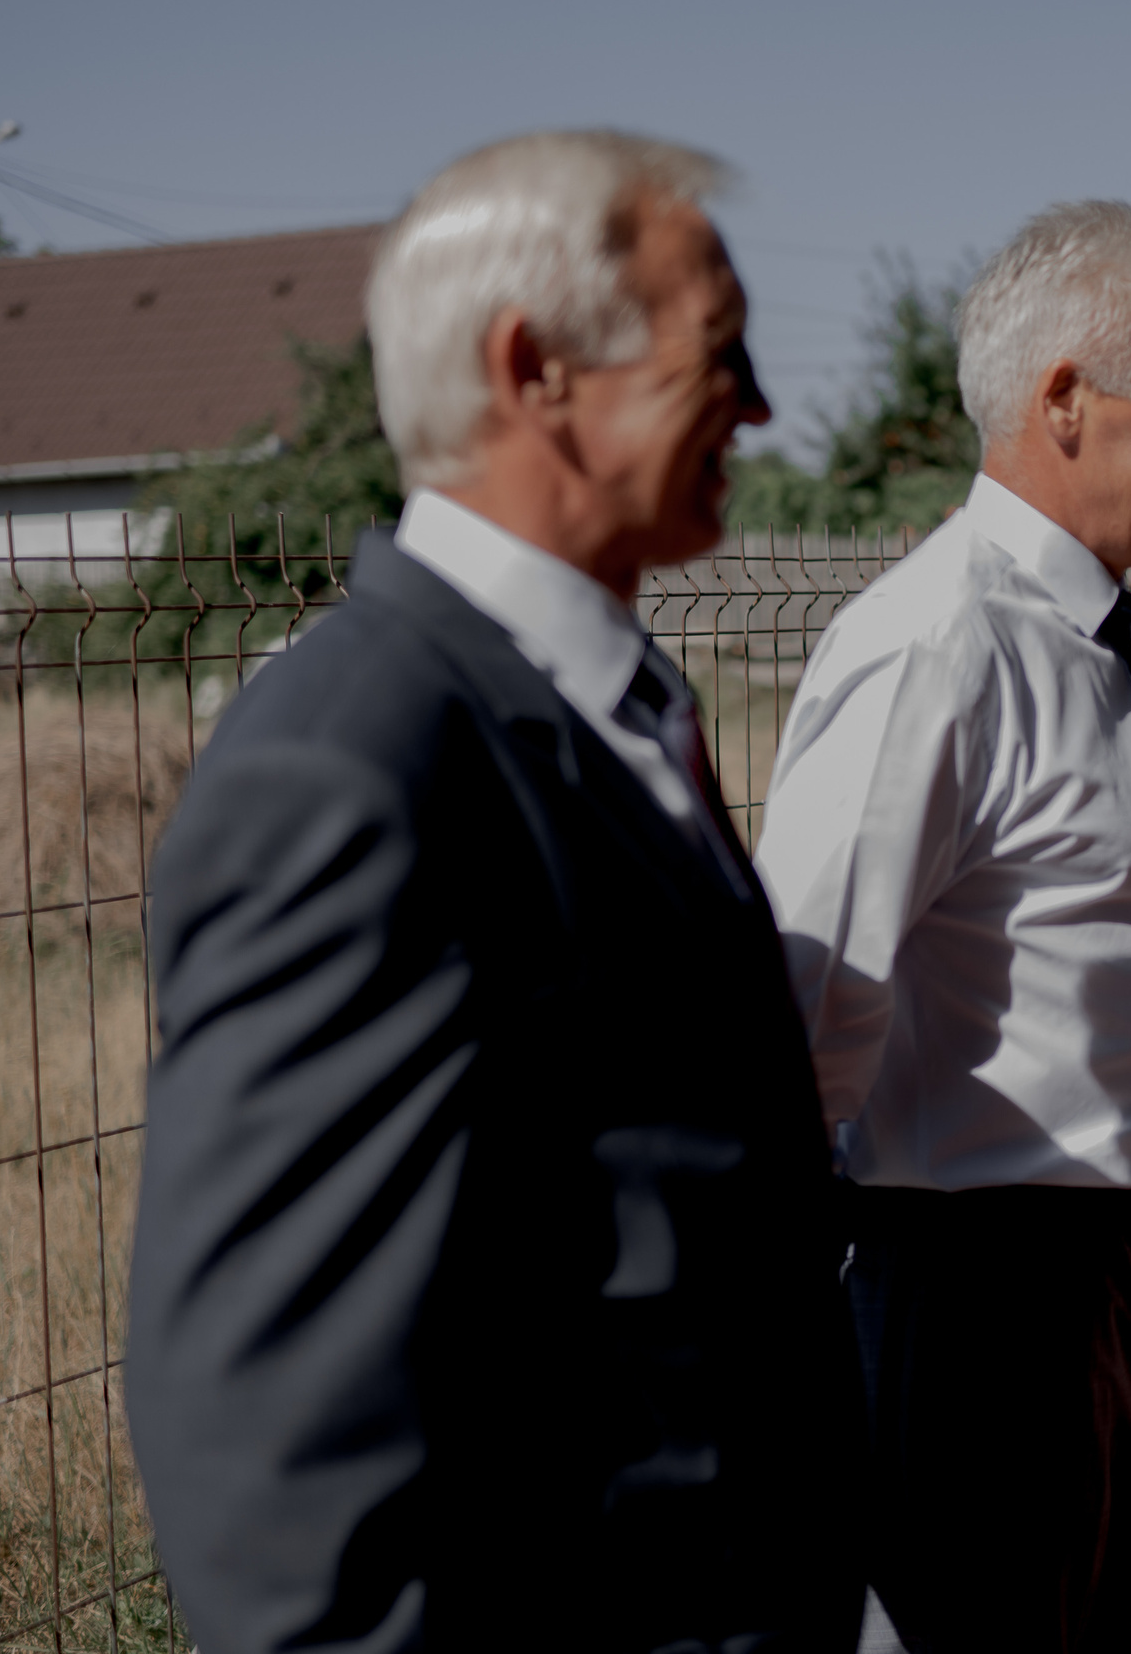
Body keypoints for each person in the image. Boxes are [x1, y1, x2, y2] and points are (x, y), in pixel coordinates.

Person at [124, 132, 862, 1653]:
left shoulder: (607, 707)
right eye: (720, 354)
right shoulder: (361, 758)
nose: (763, 409)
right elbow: (275, 1470)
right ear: (536, 370)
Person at [753, 201, 1131, 1654]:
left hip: (1129, 1285)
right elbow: (801, 1009)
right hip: (992, 1309)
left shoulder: (1103, 637)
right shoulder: (940, 643)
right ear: (1065, 400)